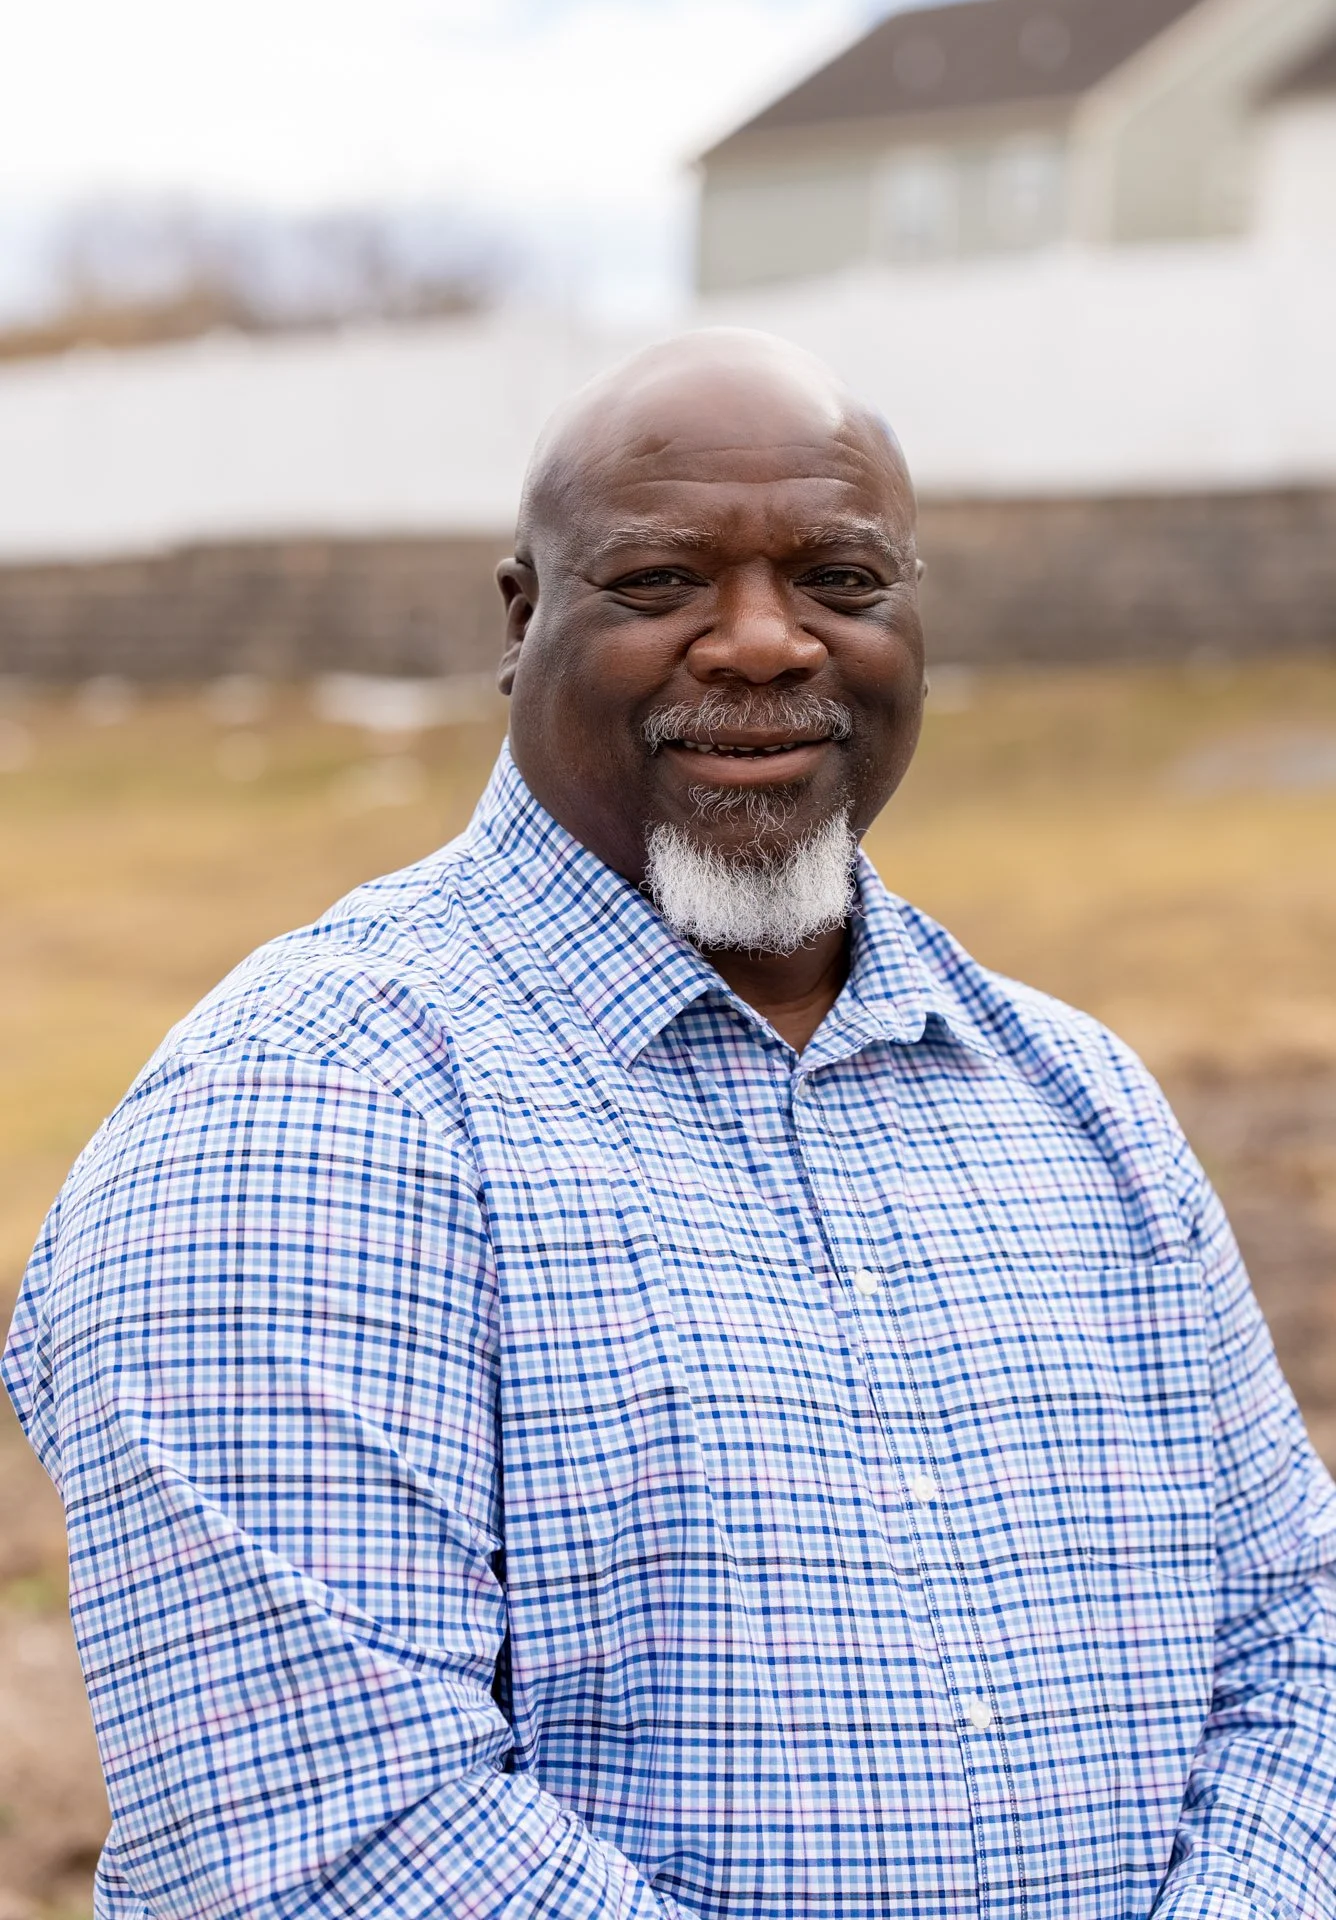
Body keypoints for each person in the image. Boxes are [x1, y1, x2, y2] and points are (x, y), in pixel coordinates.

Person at [6, 329, 1336, 1920]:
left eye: (842, 580)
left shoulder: (1078, 1099)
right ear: (522, 624)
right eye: (658, 585)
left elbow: (1298, 1641)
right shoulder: (306, 1121)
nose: (765, 643)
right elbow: (334, 1849)